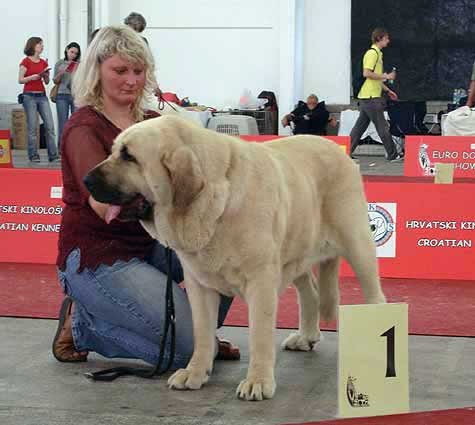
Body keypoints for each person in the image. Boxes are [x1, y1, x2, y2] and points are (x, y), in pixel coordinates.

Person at [52, 26, 239, 367]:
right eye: (120, 70)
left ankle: (200, 335)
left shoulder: (155, 121)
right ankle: (83, 326)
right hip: (100, 256)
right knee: (188, 353)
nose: (131, 80)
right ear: (97, 72)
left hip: (154, 244)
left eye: (138, 71)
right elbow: (105, 204)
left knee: (226, 248)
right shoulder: (84, 127)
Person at [349, 28, 403, 162]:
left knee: (360, 127)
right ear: (380, 38)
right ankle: (392, 154)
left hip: (368, 96)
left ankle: (345, 152)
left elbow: (373, 78)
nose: (388, 41)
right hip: (371, 97)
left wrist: (387, 90)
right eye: (386, 38)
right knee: (382, 126)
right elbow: (366, 73)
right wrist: (386, 76)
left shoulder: (377, 54)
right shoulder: (372, 54)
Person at [18, 37, 59, 163]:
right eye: (40, 44)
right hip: (29, 96)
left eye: (42, 44)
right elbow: (20, 79)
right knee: (32, 127)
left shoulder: (43, 62)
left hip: (42, 95)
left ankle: (53, 155)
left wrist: (45, 75)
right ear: (33, 46)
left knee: (50, 126)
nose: (42, 46)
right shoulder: (25, 61)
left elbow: (46, 82)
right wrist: (33, 77)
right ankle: (33, 155)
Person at [53, 42, 81, 151]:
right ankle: (61, 148)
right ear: (66, 50)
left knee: (76, 123)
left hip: (75, 95)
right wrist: (61, 72)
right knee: (63, 123)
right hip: (62, 95)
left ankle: (74, 148)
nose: (73, 55)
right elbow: (55, 81)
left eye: (75, 53)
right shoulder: (60, 63)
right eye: (71, 52)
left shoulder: (79, 64)